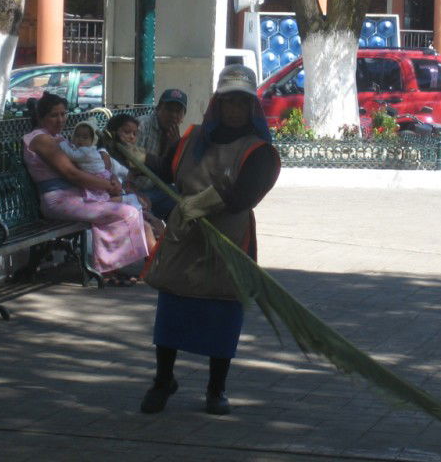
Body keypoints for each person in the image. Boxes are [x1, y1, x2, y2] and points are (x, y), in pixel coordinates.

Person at [140, 65, 280, 416]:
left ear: (251, 107)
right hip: (184, 238)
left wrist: (199, 204)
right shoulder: (193, 138)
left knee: (222, 315)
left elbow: (244, 196)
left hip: (227, 241)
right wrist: (131, 154)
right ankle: (162, 380)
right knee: (172, 311)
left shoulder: (260, 151)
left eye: (241, 104)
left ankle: (216, 389)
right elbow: (168, 169)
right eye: (228, 102)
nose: (234, 110)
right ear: (218, 103)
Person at [22, 93, 152, 286]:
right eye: (53, 115)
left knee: (135, 206)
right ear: (41, 117)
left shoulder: (56, 138)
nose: (60, 120)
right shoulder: (40, 139)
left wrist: (112, 179)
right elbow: (71, 173)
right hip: (59, 200)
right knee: (125, 212)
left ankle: (114, 268)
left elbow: (89, 163)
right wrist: (108, 187)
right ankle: (108, 269)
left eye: (63, 114)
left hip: (78, 195)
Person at [135, 89, 188, 219]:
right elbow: (127, 165)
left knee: (186, 202)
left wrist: (174, 146)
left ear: (183, 116)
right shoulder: (142, 125)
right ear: (159, 109)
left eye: (178, 111)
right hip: (133, 190)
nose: (173, 115)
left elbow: (170, 175)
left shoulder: (176, 135)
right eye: (169, 109)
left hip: (156, 190)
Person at [59, 120, 119, 203]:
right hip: (101, 173)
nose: (80, 139)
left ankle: (104, 201)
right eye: (77, 136)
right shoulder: (84, 149)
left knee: (97, 192)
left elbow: (72, 155)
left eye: (85, 137)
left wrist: (62, 143)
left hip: (97, 176)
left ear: (92, 140)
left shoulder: (86, 151)